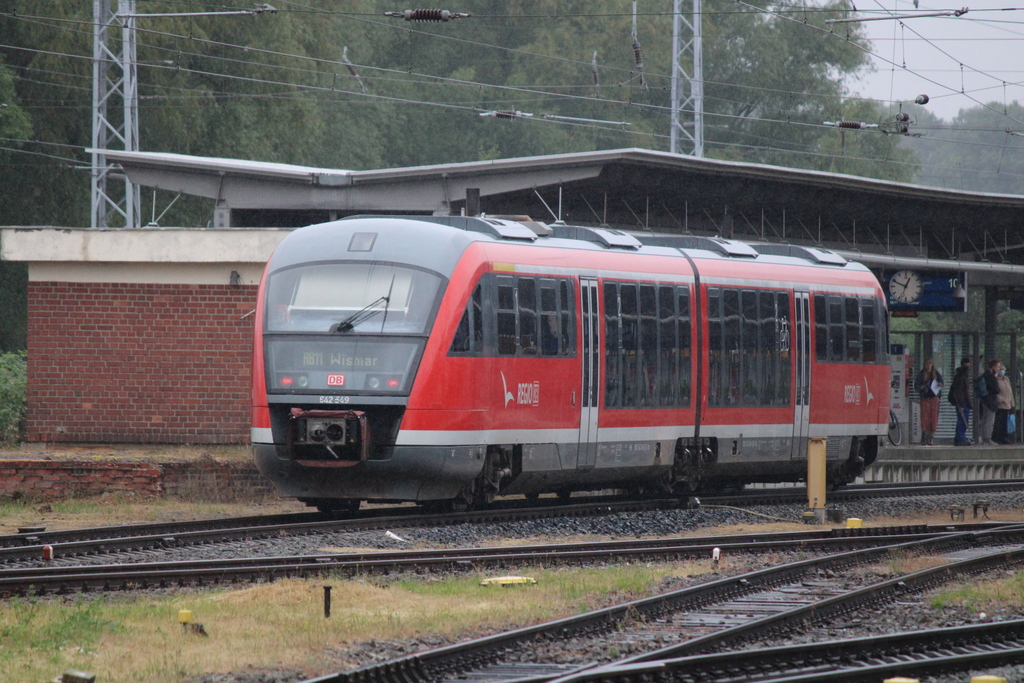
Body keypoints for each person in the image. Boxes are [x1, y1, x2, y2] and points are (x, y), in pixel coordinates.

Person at [915, 358, 943, 446]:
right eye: (927, 363)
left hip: (934, 398)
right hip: (925, 398)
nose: (928, 365)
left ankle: (931, 437)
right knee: (924, 417)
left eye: (930, 363)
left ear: (932, 364)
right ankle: (924, 435)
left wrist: (939, 384)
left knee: (934, 416)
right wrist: (921, 387)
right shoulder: (921, 374)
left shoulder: (935, 373)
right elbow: (916, 386)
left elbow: (941, 382)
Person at [947, 356, 973, 445]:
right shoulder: (962, 376)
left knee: (962, 420)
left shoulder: (961, 375)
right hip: (963, 403)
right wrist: (961, 405)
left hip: (963, 403)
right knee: (962, 421)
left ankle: (959, 438)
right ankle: (961, 439)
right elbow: (959, 392)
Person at [978, 359, 1001, 445]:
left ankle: (985, 438)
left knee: (985, 419)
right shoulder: (990, 376)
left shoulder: (985, 375)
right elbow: (996, 389)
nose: (999, 368)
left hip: (985, 400)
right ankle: (987, 438)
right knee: (989, 420)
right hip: (990, 401)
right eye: (998, 366)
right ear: (993, 367)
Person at [993, 361, 1016, 445]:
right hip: (1000, 404)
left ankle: (1004, 437)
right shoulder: (995, 379)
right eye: (1000, 369)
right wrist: (1001, 400)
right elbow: (995, 392)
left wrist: (1012, 404)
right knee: (998, 422)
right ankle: (997, 438)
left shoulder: (1006, 379)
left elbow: (1010, 392)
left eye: (1003, 369)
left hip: (1007, 405)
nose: (1002, 371)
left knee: (1004, 423)